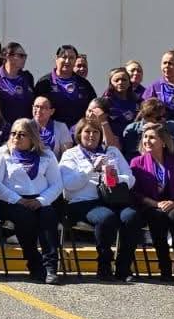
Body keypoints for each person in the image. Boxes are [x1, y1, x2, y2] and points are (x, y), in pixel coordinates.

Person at [57, 114, 140, 281]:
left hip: (113, 198)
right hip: (83, 202)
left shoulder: (112, 151)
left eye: (95, 132)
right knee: (106, 218)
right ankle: (104, 265)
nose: (92, 135)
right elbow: (68, 185)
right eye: (87, 132)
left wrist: (113, 176)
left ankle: (123, 268)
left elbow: (130, 178)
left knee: (131, 216)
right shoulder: (70, 155)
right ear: (79, 134)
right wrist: (91, 169)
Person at [0, 118, 65, 284]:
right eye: (13, 133)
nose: (16, 137)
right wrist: (18, 200)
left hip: (40, 199)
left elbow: (57, 183)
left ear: (32, 137)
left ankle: (50, 267)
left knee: (48, 216)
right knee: (25, 217)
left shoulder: (47, 155)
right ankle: (34, 262)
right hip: (12, 201)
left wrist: (41, 200)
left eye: (21, 134)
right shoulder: (3, 153)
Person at [130, 123, 174, 281]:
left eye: (152, 137)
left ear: (163, 142)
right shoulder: (137, 162)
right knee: (157, 217)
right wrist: (155, 203)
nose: (147, 141)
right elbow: (134, 192)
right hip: (151, 206)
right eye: (145, 137)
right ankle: (164, 266)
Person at [35, 45, 95, 128]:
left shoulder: (84, 84)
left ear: (75, 60)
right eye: (64, 57)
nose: (67, 61)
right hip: (51, 134)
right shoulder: (44, 83)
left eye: (71, 58)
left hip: (77, 135)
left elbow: (93, 108)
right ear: (56, 59)